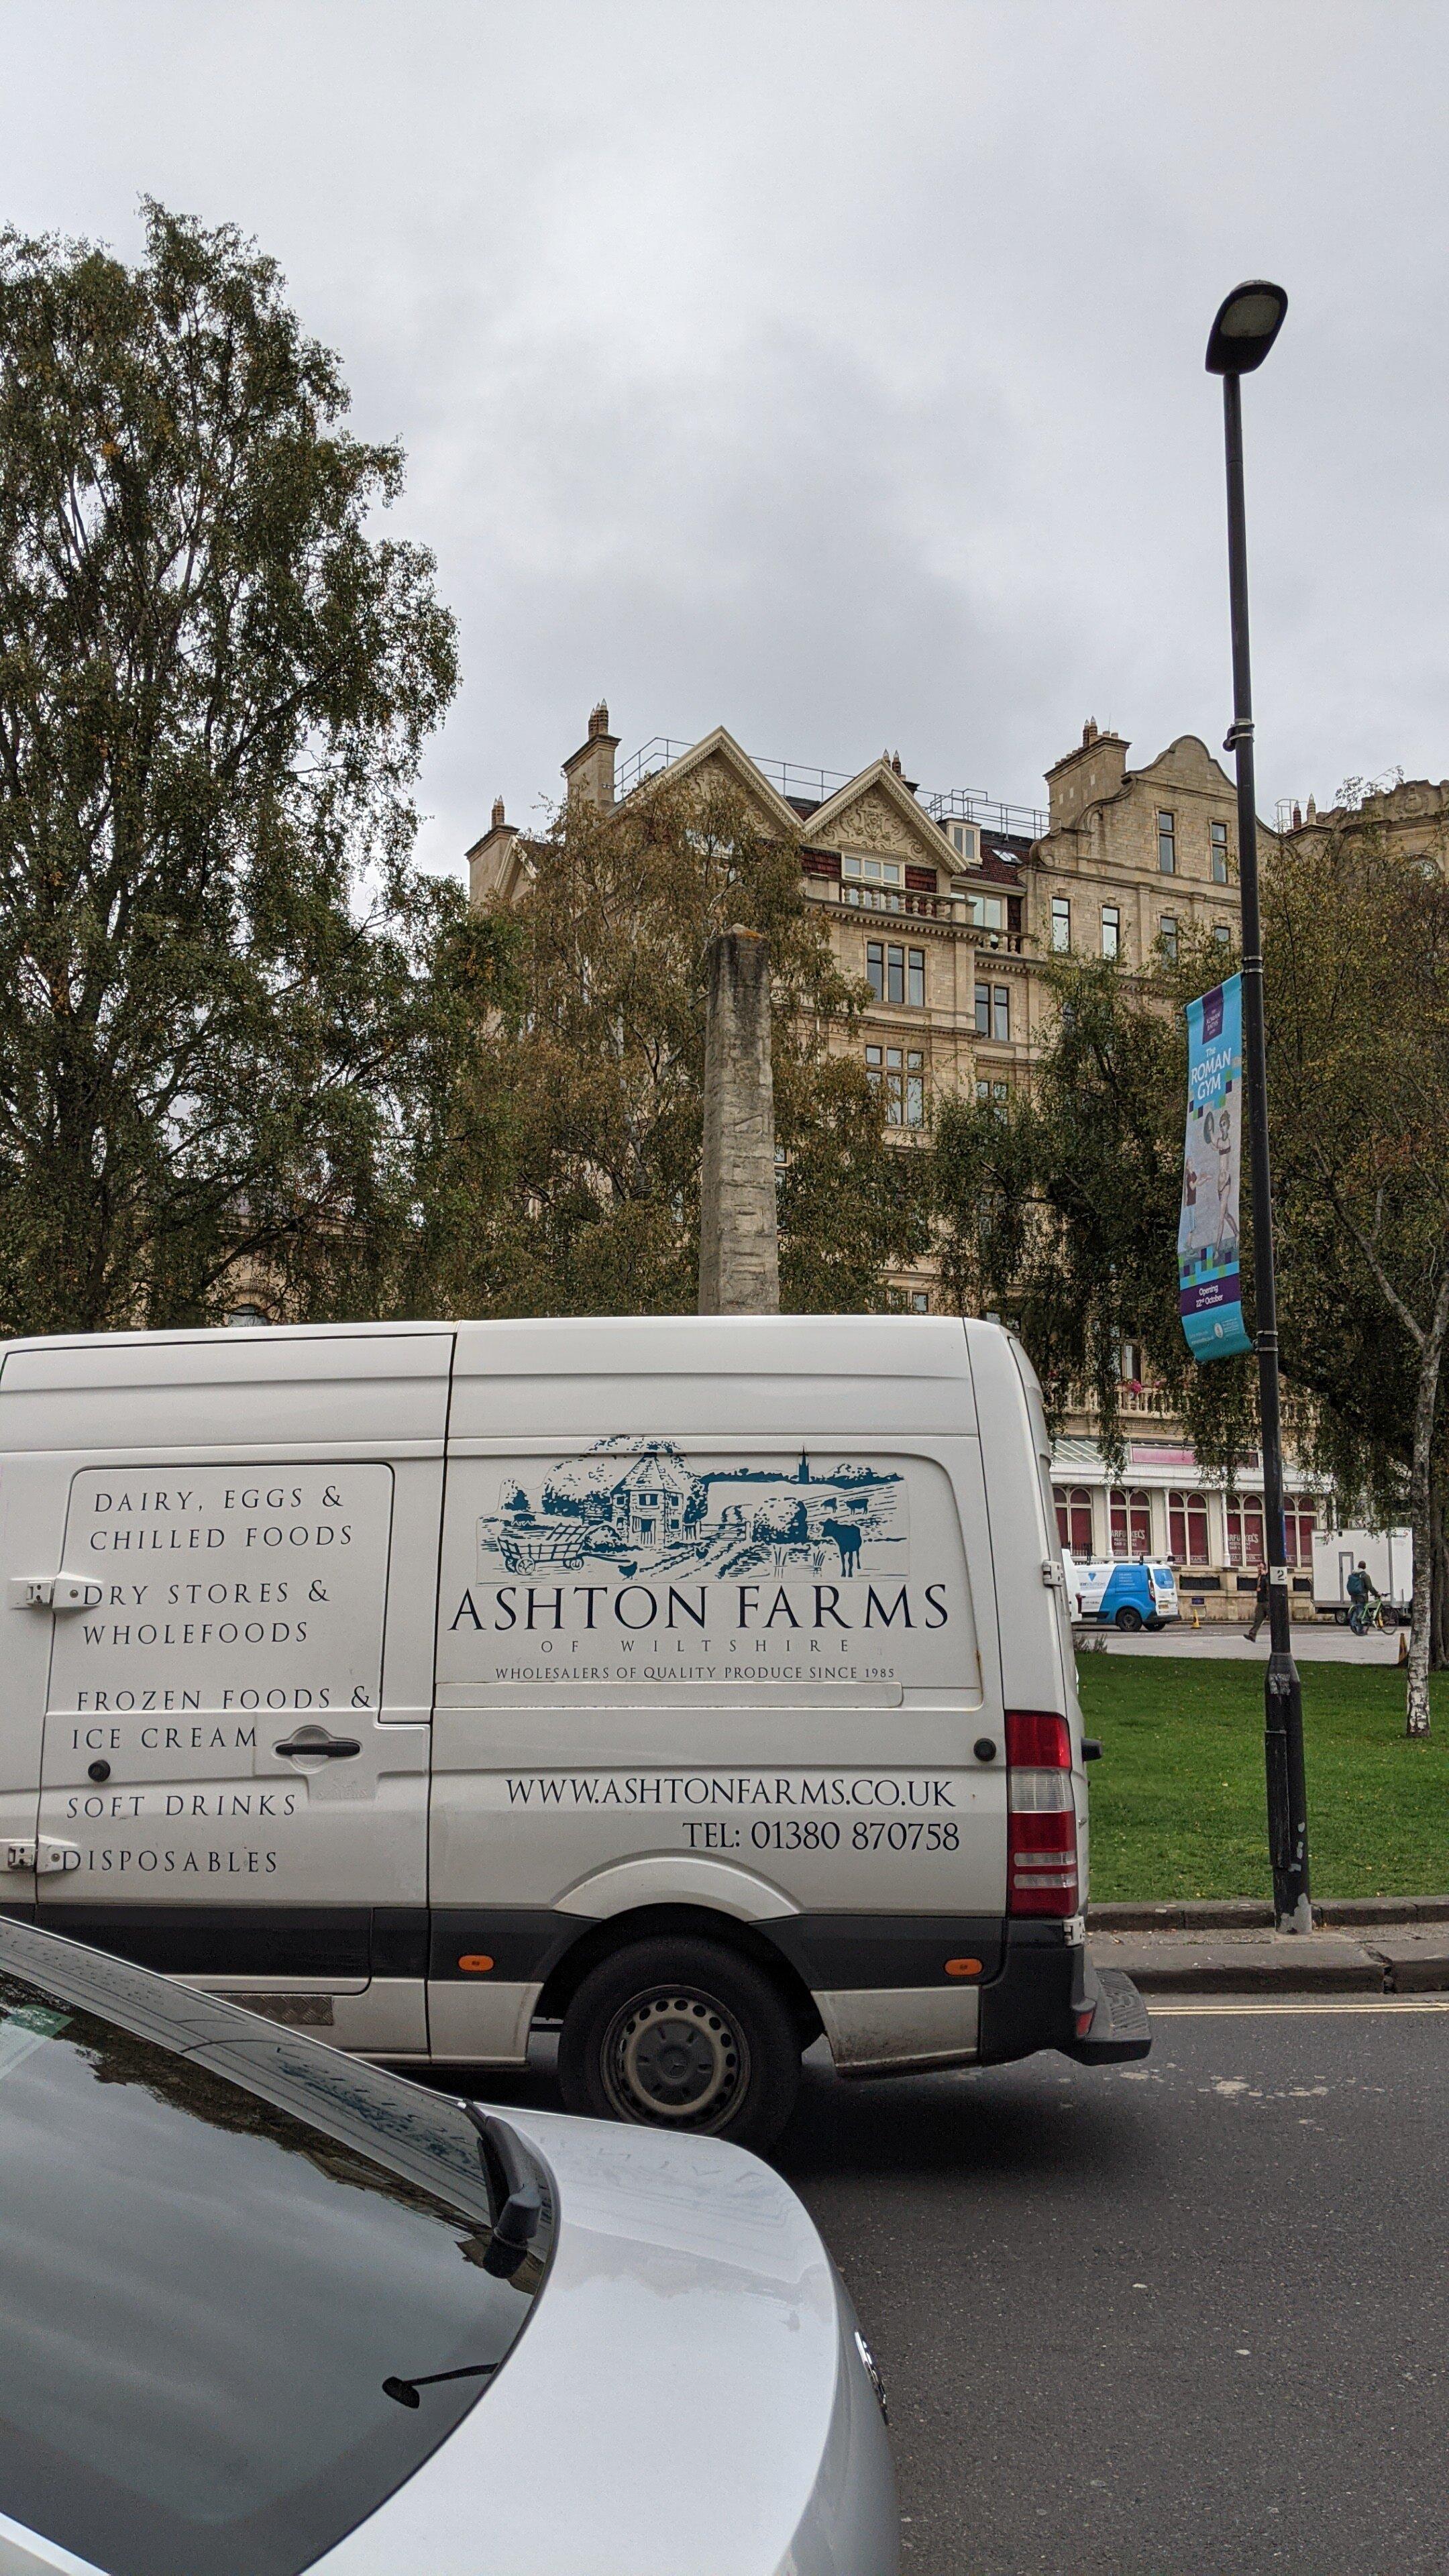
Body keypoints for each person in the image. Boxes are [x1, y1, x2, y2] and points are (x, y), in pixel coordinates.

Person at [1346, 1560, 1381, 1636]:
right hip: (1362, 1596)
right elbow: (1370, 1587)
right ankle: (1360, 1630)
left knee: (1356, 1612)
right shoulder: (1365, 1576)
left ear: (1358, 1566)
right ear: (1365, 1567)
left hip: (1353, 1596)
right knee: (1361, 1614)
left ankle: (1353, 1626)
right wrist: (1376, 1594)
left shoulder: (1353, 1574)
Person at [1246, 1560, 1270, 1641]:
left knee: (1273, 1618)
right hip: (1260, 1601)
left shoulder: (1267, 1577)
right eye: (1258, 1568)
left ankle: (1280, 1634)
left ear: (1265, 1569)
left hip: (1267, 1601)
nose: (1259, 1570)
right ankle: (1252, 1635)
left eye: (1261, 1568)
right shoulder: (1259, 1577)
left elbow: (1268, 1586)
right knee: (1258, 1619)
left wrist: (1264, 1576)